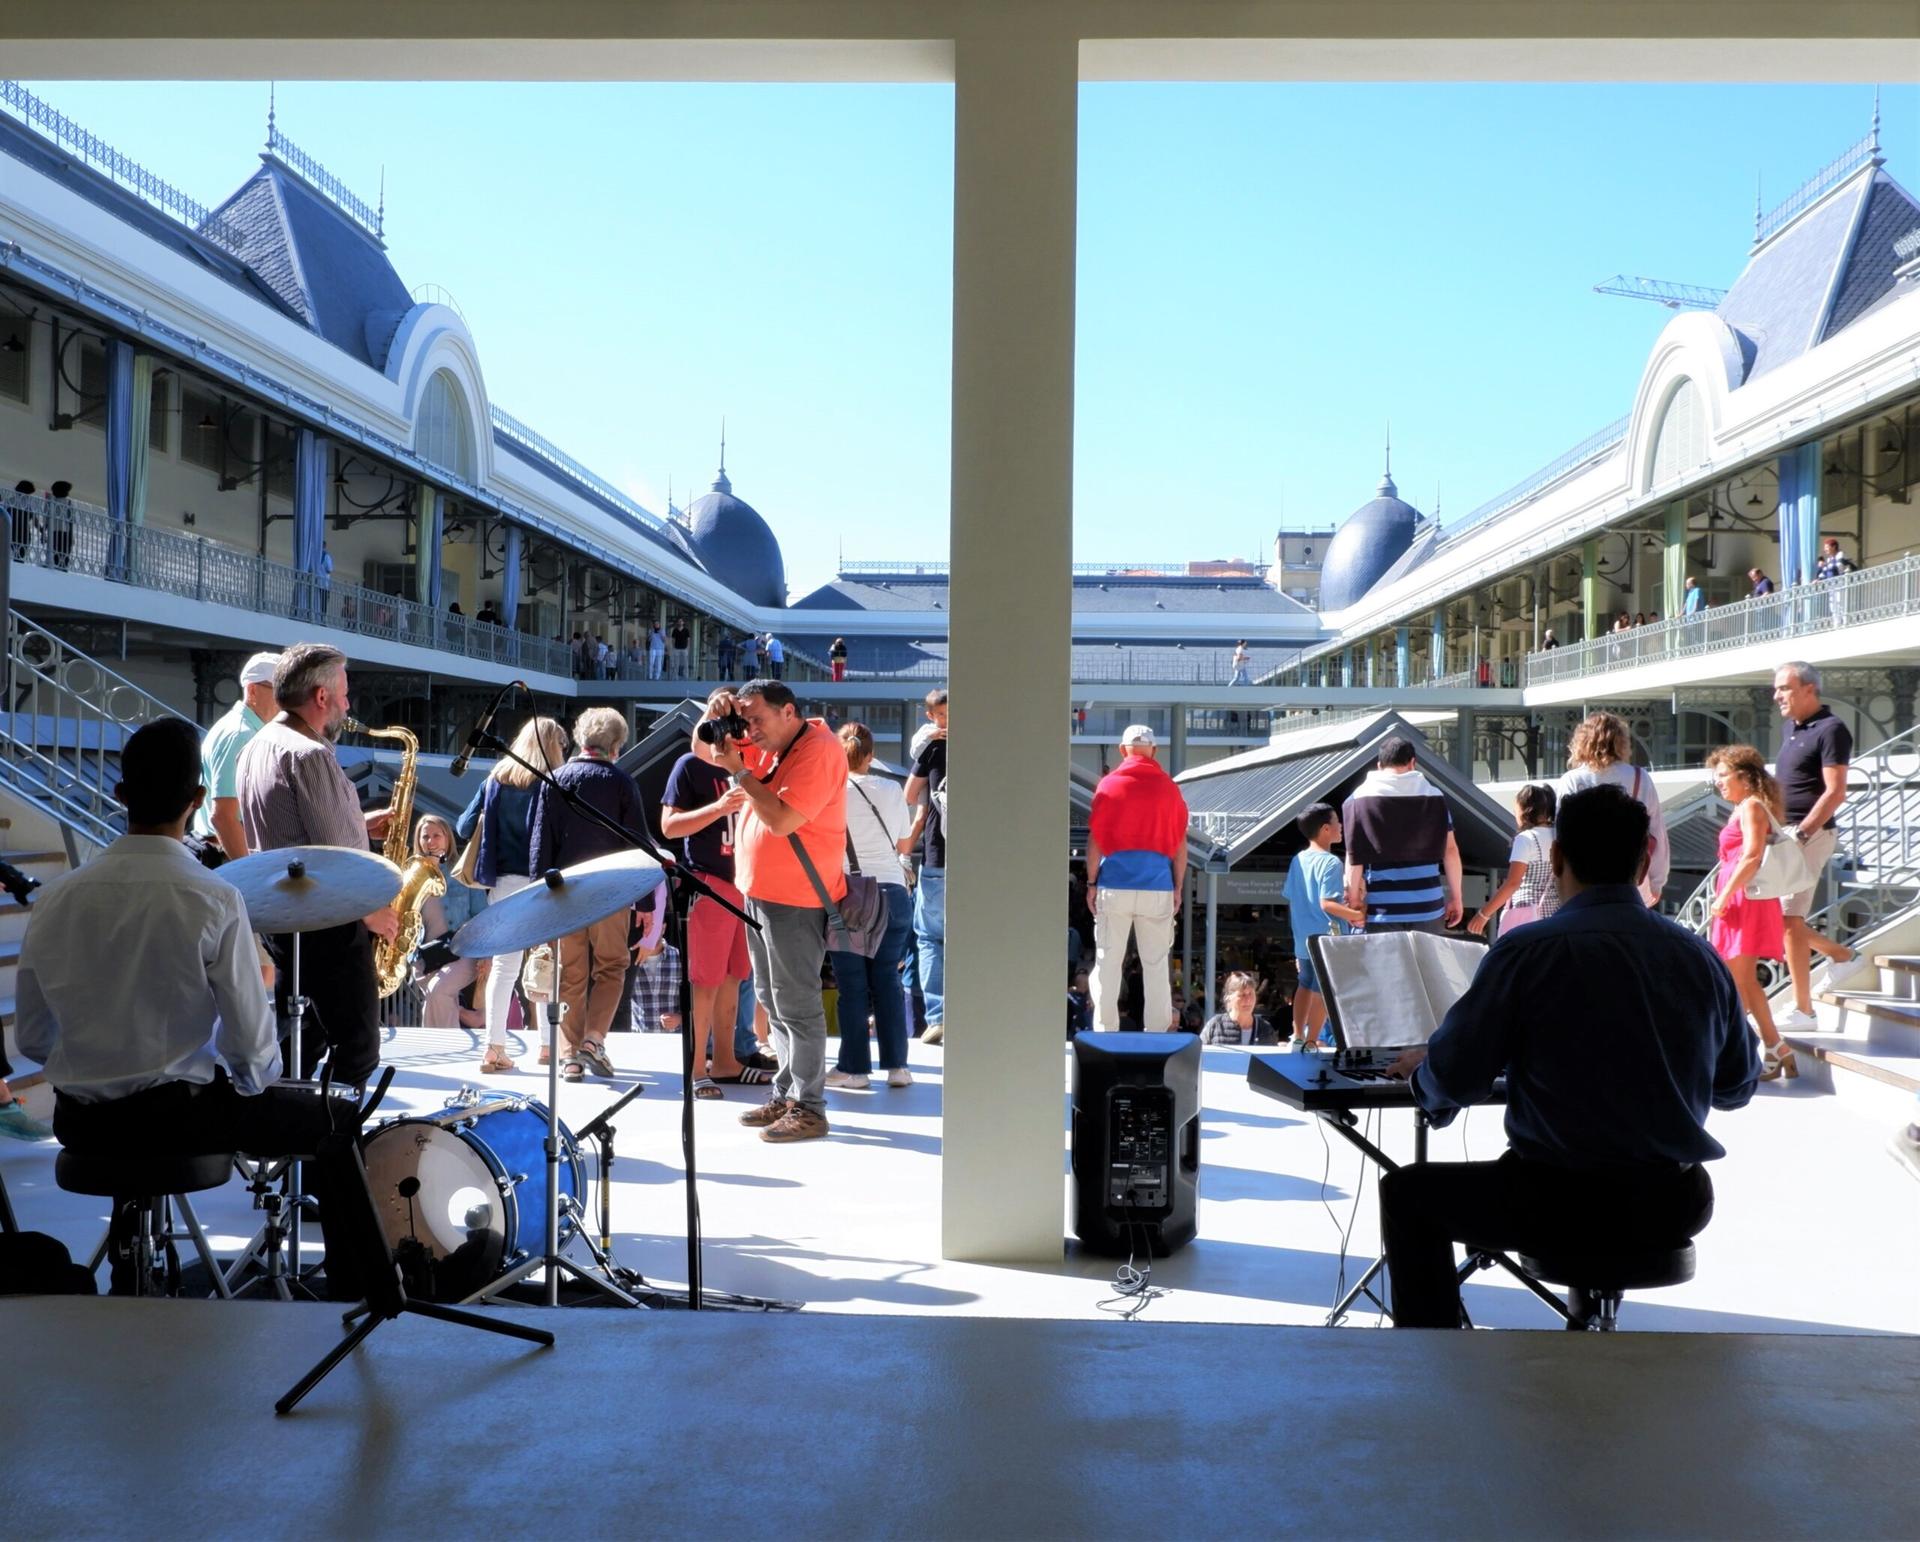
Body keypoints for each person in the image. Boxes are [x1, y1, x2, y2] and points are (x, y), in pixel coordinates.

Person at [1376, 784, 1758, 1328]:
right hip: (1672, 1200)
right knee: (1601, 1172)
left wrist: (1425, 1078)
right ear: (1646, 854)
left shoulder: (1528, 951)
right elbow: (1736, 1087)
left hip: (1553, 1200)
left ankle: (1433, 1356)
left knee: (1408, 1193)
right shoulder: (1699, 956)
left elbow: (1457, 1077)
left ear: (1555, 857)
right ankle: (1588, 1326)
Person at [17, 717, 364, 1295]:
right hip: (178, 1118)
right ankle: (359, 1299)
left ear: (120, 794)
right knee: (337, 1116)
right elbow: (253, 1051)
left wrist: (102, 1062)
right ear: (198, 799)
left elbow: (33, 1037)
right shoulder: (214, 897)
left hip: (80, 1121)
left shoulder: (55, 899)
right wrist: (249, 1084)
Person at [236, 642, 396, 1086]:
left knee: (302, 1039)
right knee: (359, 1048)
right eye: (344, 693)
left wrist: (360, 822)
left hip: (285, 916)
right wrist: (372, 912)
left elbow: (289, 832)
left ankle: (292, 1136)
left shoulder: (258, 745)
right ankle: (329, 1147)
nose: (348, 703)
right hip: (329, 921)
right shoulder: (311, 754)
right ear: (322, 697)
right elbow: (333, 857)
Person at [706, 678, 849, 1143]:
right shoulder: (774, 741)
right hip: (764, 893)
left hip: (795, 899)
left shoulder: (817, 750)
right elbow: (705, 747)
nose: (749, 728)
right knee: (772, 999)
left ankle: (810, 1107)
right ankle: (789, 1094)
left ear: (788, 712)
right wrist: (715, 714)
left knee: (798, 1004)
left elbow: (784, 819)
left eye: (756, 719)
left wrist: (740, 773)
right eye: (745, 719)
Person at [661, 693, 771, 1097]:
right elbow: (669, 827)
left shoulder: (750, 764)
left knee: (734, 977)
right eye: (718, 723)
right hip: (709, 884)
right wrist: (719, 807)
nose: (727, 731)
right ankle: (695, 1069)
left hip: (746, 885)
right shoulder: (688, 766)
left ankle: (725, 1060)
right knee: (703, 982)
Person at [529, 707, 644, 1082]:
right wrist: (643, 901)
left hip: (565, 892)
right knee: (612, 967)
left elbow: (539, 846)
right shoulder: (623, 783)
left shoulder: (555, 779)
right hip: (610, 891)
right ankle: (594, 1041)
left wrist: (538, 899)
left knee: (570, 975)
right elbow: (638, 844)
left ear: (580, 739)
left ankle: (569, 1057)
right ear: (616, 745)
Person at [456, 714, 568, 1075]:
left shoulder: (496, 779)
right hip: (543, 882)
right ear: (553, 747)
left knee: (505, 969)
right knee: (548, 961)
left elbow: (462, 827)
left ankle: (494, 1047)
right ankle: (549, 1048)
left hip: (502, 881)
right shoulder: (550, 782)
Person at [825, 723, 915, 1090]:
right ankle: (898, 1068)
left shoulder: (831, 791)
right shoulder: (892, 788)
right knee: (888, 981)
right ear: (871, 754)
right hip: (894, 892)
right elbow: (904, 841)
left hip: (851, 894)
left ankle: (854, 1069)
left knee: (853, 985)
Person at [1769, 662, 1856, 1033]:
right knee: (1779, 919)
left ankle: (1804, 1011)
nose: (1777, 696)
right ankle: (1841, 956)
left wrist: (1801, 834)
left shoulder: (1831, 729)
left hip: (1810, 835)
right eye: (1776, 689)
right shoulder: (1792, 728)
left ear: (1808, 689)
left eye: (1785, 688)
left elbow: (1835, 791)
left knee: (1788, 919)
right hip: (1785, 833)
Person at [1087, 724, 1190, 1034]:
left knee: (1108, 963)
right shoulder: (1169, 788)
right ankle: (1157, 1033)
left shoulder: (1108, 785)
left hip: (1114, 885)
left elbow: (1095, 841)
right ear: (1154, 751)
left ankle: (1106, 1032)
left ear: (1122, 751)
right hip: (1157, 886)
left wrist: (1091, 882)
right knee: (1156, 964)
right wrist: (1178, 886)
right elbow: (1180, 845)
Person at [1705, 745, 1793, 1081]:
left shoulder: (1753, 806)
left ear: (1745, 776)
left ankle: (1731, 1057)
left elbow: (1752, 856)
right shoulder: (1744, 806)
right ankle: (1775, 1047)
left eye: (1724, 775)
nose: (1719, 783)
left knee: (1735, 981)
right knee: (1742, 980)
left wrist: (1724, 896)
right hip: (1740, 899)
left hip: (1744, 900)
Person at [1342, 735, 1462, 933]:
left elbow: (1354, 857)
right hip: (1429, 907)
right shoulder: (1435, 797)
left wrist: (1354, 899)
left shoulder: (1357, 801)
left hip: (1382, 910)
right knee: (1426, 965)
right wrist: (1456, 898)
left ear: (1379, 765)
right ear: (1413, 763)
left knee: (1384, 966)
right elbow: (1450, 851)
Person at [1554, 711, 1669, 904]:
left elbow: (1561, 834)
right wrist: (1657, 882)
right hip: (1629, 872)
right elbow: (1656, 831)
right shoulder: (1640, 778)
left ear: (1581, 741)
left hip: (1583, 873)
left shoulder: (1572, 780)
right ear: (1621, 742)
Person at [1280, 803, 1364, 1048]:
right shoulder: (1331, 863)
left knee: (1304, 984)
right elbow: (1327, 904)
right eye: (1338, 822)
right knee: (1324, 990)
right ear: (1326, 829)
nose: (1341, 827)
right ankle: (1312, 1039)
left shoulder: (1298, 859)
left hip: (1302, 936)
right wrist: (1355, 915)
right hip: (1327, 939)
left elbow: (1292, 897)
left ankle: (1297, 1036)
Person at [191, 650, 280, 859]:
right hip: (227, 856)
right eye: (279, 692)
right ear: (252, 691)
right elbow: (223, 817)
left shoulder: (240, 728)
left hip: (223, 852)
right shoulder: (243, 735)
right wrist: (250, 873)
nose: (285, 702)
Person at [901, 687, 949, 1043]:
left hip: (937, 854)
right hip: (980, 863)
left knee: (930, 938)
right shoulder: (984, 746)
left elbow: (908, 792)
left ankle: (939, 1017)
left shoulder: (932, 747)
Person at [411, 812, 486, 1031]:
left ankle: (440, 1050)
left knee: (439, 992)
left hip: (462, 951)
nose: (431, 841)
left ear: (447, 839)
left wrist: (486, 955)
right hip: (426, 957)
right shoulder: (412, 877)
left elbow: (482, 915)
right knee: (438, 999)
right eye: (425, 837)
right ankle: (450, 1046)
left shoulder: (461, 873)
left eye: (437, 835)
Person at [1470, 783, 1560, 937]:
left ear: (1526, 810)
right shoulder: (1558, 836)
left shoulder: (1525, 839)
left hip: (1526, 914)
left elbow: (1513, 883)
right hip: (1554, 914)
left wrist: (1484, 914)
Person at [1199, 971, 1278, 1046]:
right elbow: (1199, 1055)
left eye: (1251, 994)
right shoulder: (1216, 1026)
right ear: (1229, 998)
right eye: (1242, 995)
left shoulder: (1265, 1029)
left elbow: (1274, 1058)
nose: (1248, 1000)